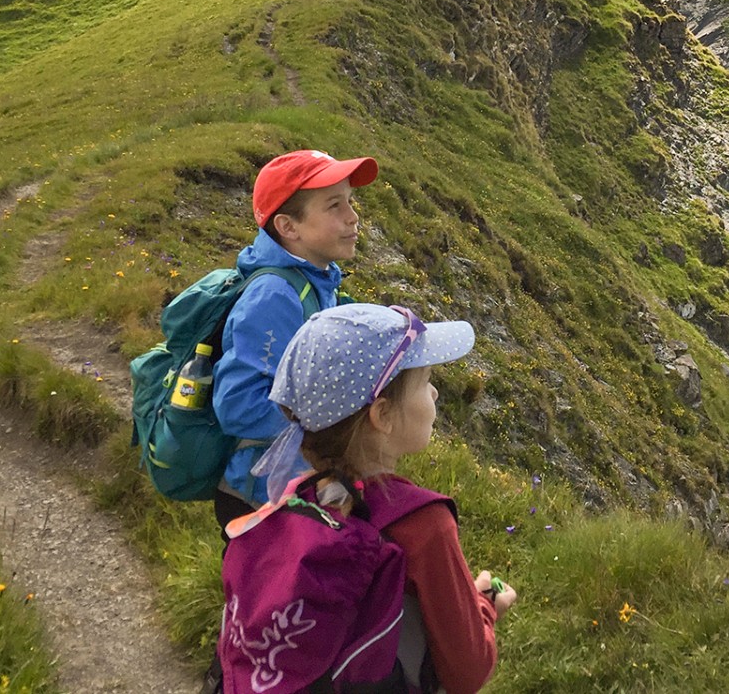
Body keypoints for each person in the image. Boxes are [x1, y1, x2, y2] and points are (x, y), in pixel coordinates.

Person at [222, 302, 517, 694]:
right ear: (382, 415)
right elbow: (468, 671)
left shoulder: (297, 496)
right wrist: (484, 607)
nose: (434, 391)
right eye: (425, 379)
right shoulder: (425, 525)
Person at [211, 148, 379, 534]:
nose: (353, 217)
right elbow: (238, 405)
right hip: (260, 495)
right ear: (288, 227)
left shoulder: (316, 278)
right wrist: (328, 427)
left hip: (293, 482)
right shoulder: (275, 295)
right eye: (334, 205)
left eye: (350, 202)